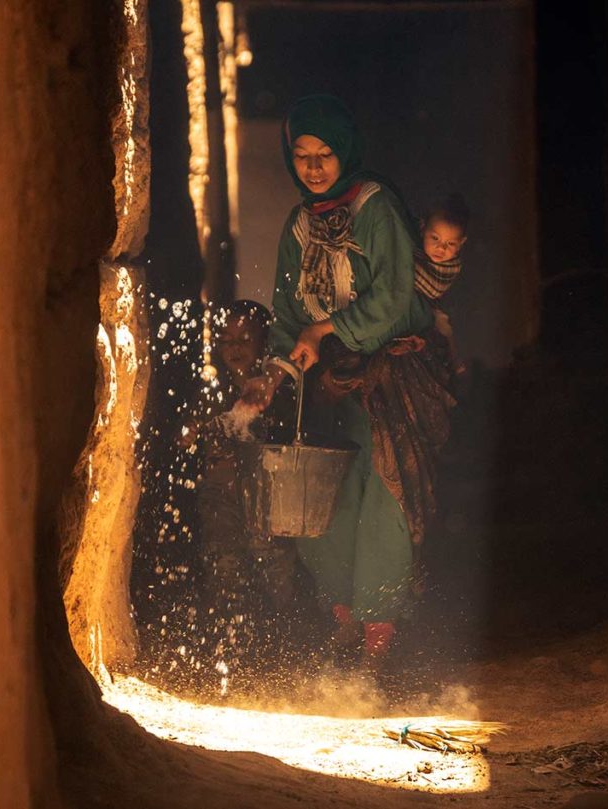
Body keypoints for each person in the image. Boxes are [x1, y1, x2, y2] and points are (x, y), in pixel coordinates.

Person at [239, 95, 454, 669]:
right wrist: (275, 374)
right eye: (302, 155)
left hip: (394, 382)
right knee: (322, 505)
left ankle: (379, 644)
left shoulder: (376, 208)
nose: (313, 167)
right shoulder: (298, 224)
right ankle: (344, 626)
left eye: (325, 154)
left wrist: (325, 328)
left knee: (384, 503)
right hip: (332, 387)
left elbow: (391, 300)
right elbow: (287, 318)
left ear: (346, 153)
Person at [180, 300, 297, 666]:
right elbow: (190, 431)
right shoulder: (211, 390)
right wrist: (189, 434)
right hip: (221, 499)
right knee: (223, 567)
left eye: (245, 338)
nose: (235, 347)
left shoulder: (273, 392)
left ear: (264, 342)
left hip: (265, 500)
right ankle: (229, 651)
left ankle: (283, 649)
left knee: (275, 568)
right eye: (226, 339)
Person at [414, 193, 469, 376]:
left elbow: (434, 286)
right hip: (415, 303)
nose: (441, 248)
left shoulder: (451, 267)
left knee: (443, 327)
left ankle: (454, 359)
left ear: (461, 244)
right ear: (423, 229)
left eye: (450, 243)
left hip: (430, 306)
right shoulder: (412, 248)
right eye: (435, 238)